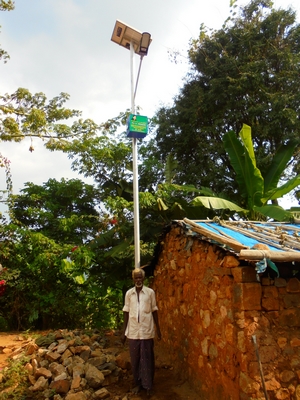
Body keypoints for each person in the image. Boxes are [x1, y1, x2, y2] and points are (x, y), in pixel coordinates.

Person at [121, 267, 161, 396]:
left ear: (143, 279)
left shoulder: (150, 293)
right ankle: (138, 384)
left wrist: (158, 329)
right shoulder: (129, 294)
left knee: (148, 358)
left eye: (140, 277)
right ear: (133, 279)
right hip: (133, 331)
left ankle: (148, 385)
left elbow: (154, 311)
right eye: (136, 277)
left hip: (146, 330)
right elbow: (126, 313)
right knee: (135, 359)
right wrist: (124, 332)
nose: (138, 279)